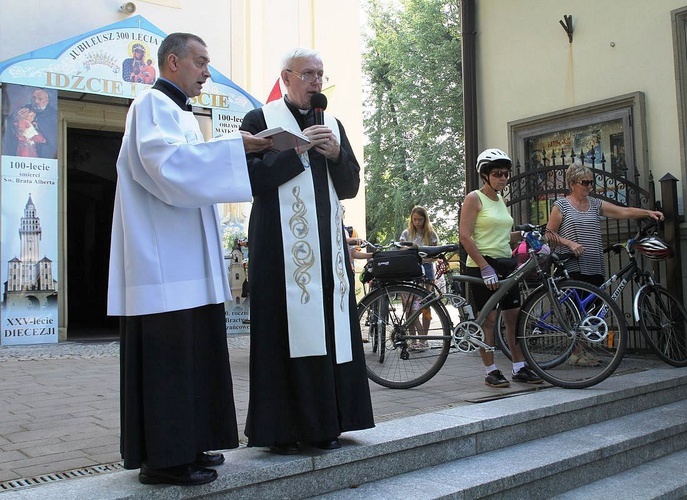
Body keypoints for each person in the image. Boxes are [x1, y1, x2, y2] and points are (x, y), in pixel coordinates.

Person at [107, 32, 288, 487]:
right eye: (201, 62)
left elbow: (194, 168)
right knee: (170, 361)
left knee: (194, 356)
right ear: (173, 62)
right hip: (163, 265)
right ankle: (165, 459)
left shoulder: (178, 114)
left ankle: (189, 442)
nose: (208, 71)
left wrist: (237, 149)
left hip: (187, 262)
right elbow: (167, 167)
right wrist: (236, 147)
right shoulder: (150, 106)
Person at [240, 47, 374, 455]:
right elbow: (250, 180)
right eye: (308, 74)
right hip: (280, 253)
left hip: (329, 250)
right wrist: (296, 153)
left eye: (320, 74)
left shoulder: (331, 123)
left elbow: (350, 185)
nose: (316, 81)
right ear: (286, 77)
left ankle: (329, 422)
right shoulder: (259, 120)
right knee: (284, 331)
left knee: (331, 332)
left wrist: (335, 156)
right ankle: (282, 429)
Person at [545, 163, 664, 366]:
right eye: (585, 182)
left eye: (591, 182)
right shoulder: (561, 206)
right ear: (573, 183)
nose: (590, 186)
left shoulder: (595, 204)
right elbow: (548, 234)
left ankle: (581, 351)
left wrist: (647, 213)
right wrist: (569, 243)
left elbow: (623, 212)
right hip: (573, 265)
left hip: (594, 262)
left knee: (591, 309)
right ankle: (576, 353)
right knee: (577, 310)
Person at [459, 148, 543, 388]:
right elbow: (465, 236)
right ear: (485, 174)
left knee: (513, 318)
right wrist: (485, 267)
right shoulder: (474, 198)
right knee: (488, 320)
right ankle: (490, 370)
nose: (503, 178)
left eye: (506, 174)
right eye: (498, 173)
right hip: (482, 264)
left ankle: (519, 368)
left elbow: (504, 235)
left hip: (506, 262)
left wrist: (525, 234)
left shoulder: (500, 200)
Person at [400, 205, 440, 351]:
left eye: (420, 219)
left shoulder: (431, 234)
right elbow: (401, 250)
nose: (417, 222)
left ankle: (424, 338)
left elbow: (435, 254)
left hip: (427, 270)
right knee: (409, 305)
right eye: (415, 219)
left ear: (425, 219)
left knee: (425, 305)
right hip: (410, 270)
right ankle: (413, 338)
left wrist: (425, 256)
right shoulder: (406, 233)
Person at [29, 88, 57, 159]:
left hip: (45, 155)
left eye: (40, 99)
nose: (36, 101)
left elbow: (52, 140)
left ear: (47, 101)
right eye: (34, 98)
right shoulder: (25, 109)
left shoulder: (54, 115)